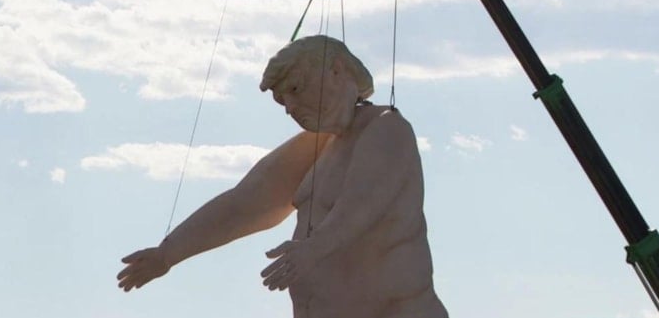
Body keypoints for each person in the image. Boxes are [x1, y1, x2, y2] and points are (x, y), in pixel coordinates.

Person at [117, 35, 448, 318]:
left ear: (336, 70)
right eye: (282, 101)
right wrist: (168, 253)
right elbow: (244, 205)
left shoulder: (387, 129)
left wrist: (313, 249)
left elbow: (361, 207)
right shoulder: (320, 145)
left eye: (296, 88)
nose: (290, 107)